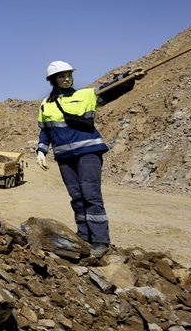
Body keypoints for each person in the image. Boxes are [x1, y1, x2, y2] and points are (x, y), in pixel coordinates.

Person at [36, 60, 139, 262]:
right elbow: (45, 131)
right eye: (61, 76)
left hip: (89, 152)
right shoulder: (45, 104)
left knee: (90, 195)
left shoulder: (86, 95)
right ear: (53, 80)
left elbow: (111, 90)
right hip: (65, 156)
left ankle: (100, 241)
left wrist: (128, 78)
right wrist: (41, 150)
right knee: (77, 197)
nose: (66, 78)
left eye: (68, 75)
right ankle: (83, 236)